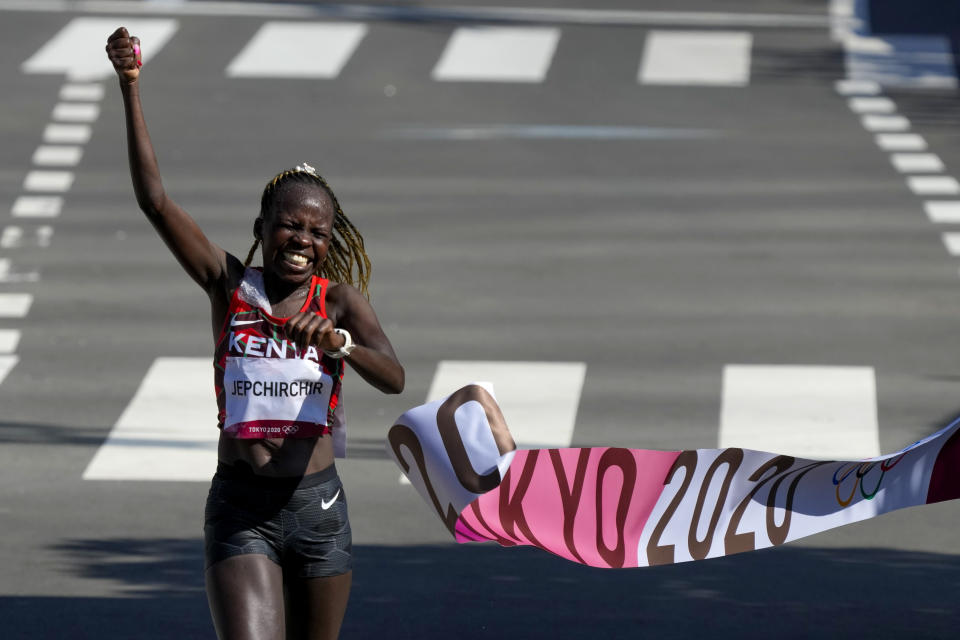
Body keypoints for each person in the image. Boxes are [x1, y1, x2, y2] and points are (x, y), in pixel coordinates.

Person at [106, 27, 404, 640]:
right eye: (290, 226)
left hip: (318, 509)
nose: (303, 241)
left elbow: (394, 376)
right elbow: (156, 203)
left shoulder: (340, 302)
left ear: (329, 243)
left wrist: (339, 343)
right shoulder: (228, 284)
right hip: (241, 508)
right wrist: (130, 87)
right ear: (262, 227)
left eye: (318, 234)